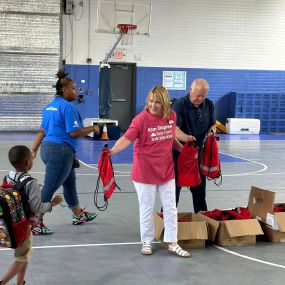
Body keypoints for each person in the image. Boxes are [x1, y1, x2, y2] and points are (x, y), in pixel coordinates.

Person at [110, 86, 190, 257]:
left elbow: (170, 137)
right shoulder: (140, 120)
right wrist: (112, 151)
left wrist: (185, 151)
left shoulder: (172, 116)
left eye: (158, 102)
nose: (153, 105)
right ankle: (147, 241)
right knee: (147, 207)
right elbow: (127, 139)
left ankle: (172, 242)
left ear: (165, 103)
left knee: (170, 207)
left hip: (166, 170)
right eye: (151, 101)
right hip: (144, 172)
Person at [31, 69, 100, 230]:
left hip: (48, 150)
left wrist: (33, 150)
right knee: (50, 186)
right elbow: (74, 132)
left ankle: (78, 214)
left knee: (69, 184)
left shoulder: (49, 107)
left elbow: (42, 131)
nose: (76, 91)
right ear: (64, 90)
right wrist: (93, 128)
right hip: (60, 152)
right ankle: (35, 221)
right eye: (74, 88)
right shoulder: (68, 108)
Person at [0, 145, 63, 285]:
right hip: (24, 225)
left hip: (12, 221)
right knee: (21, 257)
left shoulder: (7, 176)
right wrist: (53, 203)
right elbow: (38, 207)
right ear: (28, 162)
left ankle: (20, 282)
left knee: (25, 254)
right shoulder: (31, 182)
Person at [172, 78, 216, 213]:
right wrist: (186, 138)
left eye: (203, 96)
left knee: (200, 190)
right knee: (174, 190)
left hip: (198, 154)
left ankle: (203, 220)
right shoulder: (179, 105)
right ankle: (167, 220)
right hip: (179, 153)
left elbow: (212, 124)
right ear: (190, 90)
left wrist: (212, 132)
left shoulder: (209, 104)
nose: (201, 99)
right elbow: (173, 129)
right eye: (198, 95)